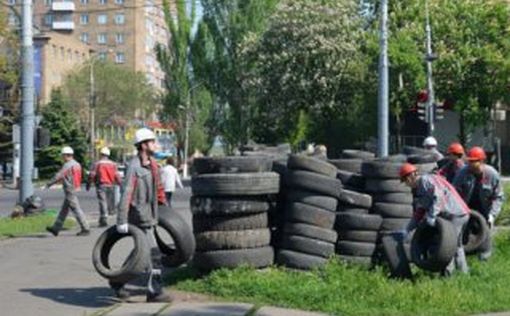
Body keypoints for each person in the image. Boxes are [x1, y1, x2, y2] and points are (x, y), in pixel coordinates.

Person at [113, 128, 171, 302]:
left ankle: (117, 282)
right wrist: (121, 219)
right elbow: (126, 192)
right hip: (138, 216)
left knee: (140, 252)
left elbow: (158, 188)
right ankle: (155, 292)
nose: (155, 144)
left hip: (150, 215)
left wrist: (165, 208)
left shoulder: (152, 164)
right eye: (152, 141)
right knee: (154, 254)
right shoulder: (134, 166)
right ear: (144, 145)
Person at [399, 163, 470, 276]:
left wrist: (431, 217)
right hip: (454, 214)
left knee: (449, 245)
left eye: (405, 181)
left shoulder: (426, 181)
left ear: (410, 177)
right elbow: (420, 212)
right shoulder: (420, 188)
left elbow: (439, 198)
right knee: (456, 246)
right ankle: (462, 273)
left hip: (456, 213)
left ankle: (450, 275)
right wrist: (407, 229)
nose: (406, 185)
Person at [453, 146, 504, 261]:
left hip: (485, 211)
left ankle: (484, 262)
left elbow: (498, 197)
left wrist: (492, 216)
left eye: (473, 161)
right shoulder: (463, 173)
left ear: (481, 161)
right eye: (469, 161)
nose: (470, 164)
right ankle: (463, 259)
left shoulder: (492, 174)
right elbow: (453, 192)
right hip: (466, 209)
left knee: (485, 236)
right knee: (463, 235)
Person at [45, 146, 90, 236]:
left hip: (70, 189)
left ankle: (85, 228)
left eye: (63, 156)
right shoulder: (77, 164)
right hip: (75, 188)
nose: (62, 157)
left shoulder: (68, 165)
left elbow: (59, 175)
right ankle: (56, 228)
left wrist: (49, 183)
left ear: (66, 155)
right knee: (64, 210)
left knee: (76, 209)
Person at [87, 147, 122, 227]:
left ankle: (104, 218)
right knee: (109, 202)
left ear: (101, 154)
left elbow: (92, 175)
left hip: (101, 185)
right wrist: (120, 185)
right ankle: (106, 216)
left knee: (103, 202)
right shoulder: (113, 164)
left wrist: (88, 184)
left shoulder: (98, 164)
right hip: (111, 185)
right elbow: (117, 175)